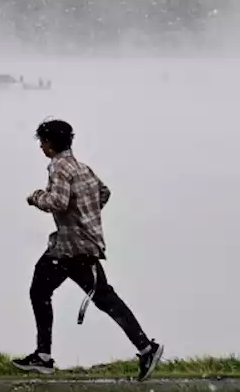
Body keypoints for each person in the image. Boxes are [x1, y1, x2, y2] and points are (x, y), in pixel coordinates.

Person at [13, 118, 164, 381]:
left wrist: (35, 197)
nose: (40, 147)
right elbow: (103, 193)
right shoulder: (82, 168)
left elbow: (58, 202)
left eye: (42, 141)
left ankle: (146, 349)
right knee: (52, 290)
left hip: (73, 251)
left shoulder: (59, 168)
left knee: (91, 298)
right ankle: (44, 356)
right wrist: (85, 215)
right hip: (73, 247)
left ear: (50, 143)